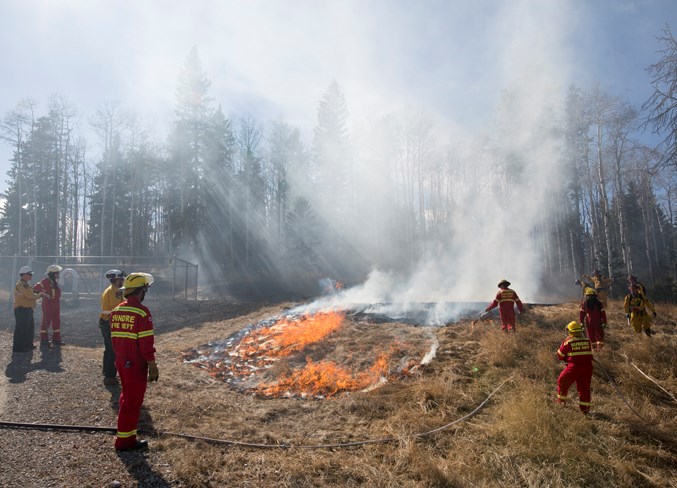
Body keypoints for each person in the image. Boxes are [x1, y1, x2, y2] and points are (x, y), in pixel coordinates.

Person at [109, 272, 159, 451]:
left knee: (126, 398)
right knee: (132, 402)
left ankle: (128, 435)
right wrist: (152, 364)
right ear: (141, 291)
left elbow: (115, 340)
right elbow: (146, 344)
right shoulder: (142, 312)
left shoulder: (117, 311)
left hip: (121, 362)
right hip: (136, 365)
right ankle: (125, 442)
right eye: (145, 289)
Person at [556, 321, 594, 414]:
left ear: (570, 332)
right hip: (588, 368)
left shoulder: (568, 342)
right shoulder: (587, 341)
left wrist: (566, 357)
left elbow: (560, 355)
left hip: (573, 368)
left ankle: (561, 402)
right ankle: (585, 410)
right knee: (584, 388)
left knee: (562, 381)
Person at [100, 269, 125, 386]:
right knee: (113, 350)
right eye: (121, 279)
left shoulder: (116, 291)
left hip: (107, 321)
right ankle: (110, 377)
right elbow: (112, 309)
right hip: (108, 322)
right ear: (116, 279)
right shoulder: (113, 292)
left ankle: (107, 372)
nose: (123, 280)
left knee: (109, 349)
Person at [13, 266, 43, 353]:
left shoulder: (26, 284)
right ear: (24, 275)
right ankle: (18, 348)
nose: (31, 276)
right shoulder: (21, 284)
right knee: (21, 329)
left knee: (29, 328)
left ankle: (27, 345)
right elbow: (30, 296)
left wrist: (38, 290)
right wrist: (40, 295)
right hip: (21, 310)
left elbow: (33, 291)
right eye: (29, 274)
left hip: (27, 309)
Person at [33, 264, 63, 346]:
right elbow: (35, 289)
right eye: (57, 273)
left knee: (56, 321)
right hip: (48, 305)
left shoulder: (55, 282)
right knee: (46, 321)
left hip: (56, 305)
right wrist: (44, 294)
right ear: (52, 274)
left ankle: (56, 339)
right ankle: (44, 339)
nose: (58, 274)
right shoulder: (45, 281)